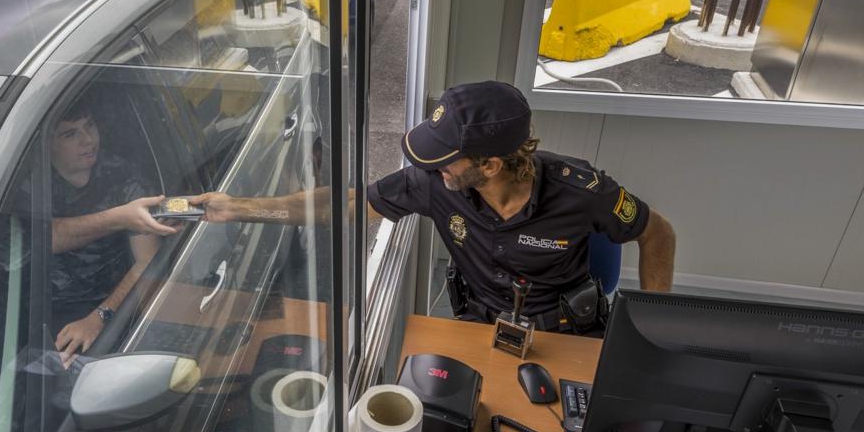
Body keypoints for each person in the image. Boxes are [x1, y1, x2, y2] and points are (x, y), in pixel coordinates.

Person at [193, 81, 675, 335]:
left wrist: (654, 319)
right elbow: (342, 205)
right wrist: (240, 208)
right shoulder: (433, 184)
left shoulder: (583, 191)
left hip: (565, 333)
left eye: (446, 159)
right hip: (477, 325)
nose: (432, 168)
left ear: (489, 165)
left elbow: (658, 234)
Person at [48, 100, 176, 363]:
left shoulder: (124, 177)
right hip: (31, 303)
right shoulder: (29, 183)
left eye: (90, 127)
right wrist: (120, 217)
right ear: (47, 145)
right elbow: (42, 236)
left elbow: (148, 261)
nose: (88, 140)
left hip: (100, 304)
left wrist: (100, 317)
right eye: (70, 134)